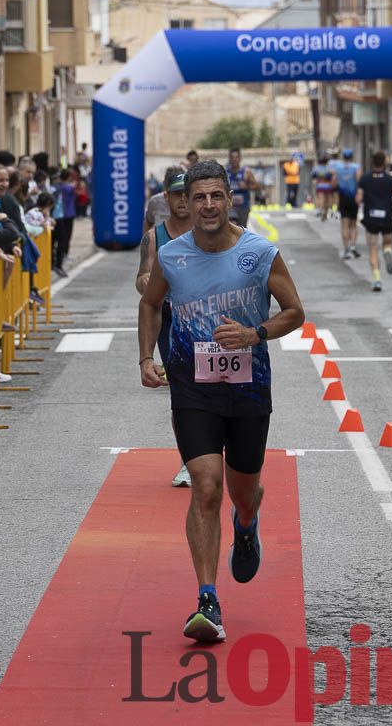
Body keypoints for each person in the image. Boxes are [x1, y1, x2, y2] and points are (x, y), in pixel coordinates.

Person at [138, 159, 305, 642]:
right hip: (192, 386)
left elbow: (295, 311)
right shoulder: (172, 256)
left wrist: (255, 333)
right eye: (198, 198)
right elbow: (150, 303)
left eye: (216, 197)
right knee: (206, 486)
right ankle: (207, 601)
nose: (207, 206)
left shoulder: (260, 253)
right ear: (185, 203)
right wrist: (145, 358)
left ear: (230, 199)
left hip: (248, 387)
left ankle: (248, 522)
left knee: (241, 490)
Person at [136, 172, 196, 489]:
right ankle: (189, 460)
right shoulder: (154, 237)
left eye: (189, 193)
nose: (184, 200)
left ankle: (214, 452)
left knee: (216, 390)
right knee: (182, 394)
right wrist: (146, 282)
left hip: (207, 321)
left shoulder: (210, 231)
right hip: (171, 322)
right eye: (178, 195)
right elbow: (142, 278)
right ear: (166, 198)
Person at [357, 151, 392, 292]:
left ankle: (377, 279)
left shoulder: (365, 179)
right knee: (387, 243)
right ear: (384, 163)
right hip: (387, 216)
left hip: (371, 218)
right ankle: (388, 252)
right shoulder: (390, 179)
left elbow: (358, 199)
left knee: (372, 249)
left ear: (372, 163)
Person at [333, 148, 362, 259]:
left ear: (343, 157)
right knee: (353, 224)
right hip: (353, 198)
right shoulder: (356, 167)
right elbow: (359, 180)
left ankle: (346, 250)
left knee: (344, 225)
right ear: (352, 157)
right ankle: (353, 246)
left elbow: (333, 182)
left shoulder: (338, 168)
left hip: (343, 198)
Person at [226, 148, 258, 227]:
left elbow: (257, 186)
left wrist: (246, 186)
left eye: (236, 157)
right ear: (229, 158)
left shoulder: (246, 172)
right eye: (232, 157)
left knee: (242, 229)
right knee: (232, 225)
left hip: (243, 206)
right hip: (231, 206)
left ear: (240, 158)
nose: (234, 159)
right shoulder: (226, 172)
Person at [53, 168, 77, 274]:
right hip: (69, 212)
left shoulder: (58, 187)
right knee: (67, 235)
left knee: (61, 236)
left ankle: (60, 254)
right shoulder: (70, 187)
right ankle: (65, 253)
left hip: (61, 214)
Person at [144, 165, 182, 231]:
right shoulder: (155, 201)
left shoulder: (190, 201)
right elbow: (148, 223)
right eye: (176, 193)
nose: (182, 198)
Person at [310, 154, 335, 222]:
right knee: (327, 199)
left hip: (320, 185)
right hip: (328, 185)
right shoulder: (329, 168)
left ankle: (321, 210)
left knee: (321, 198)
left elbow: (312, 175)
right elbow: (333, 175)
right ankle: (326, 212)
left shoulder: (316, 168)